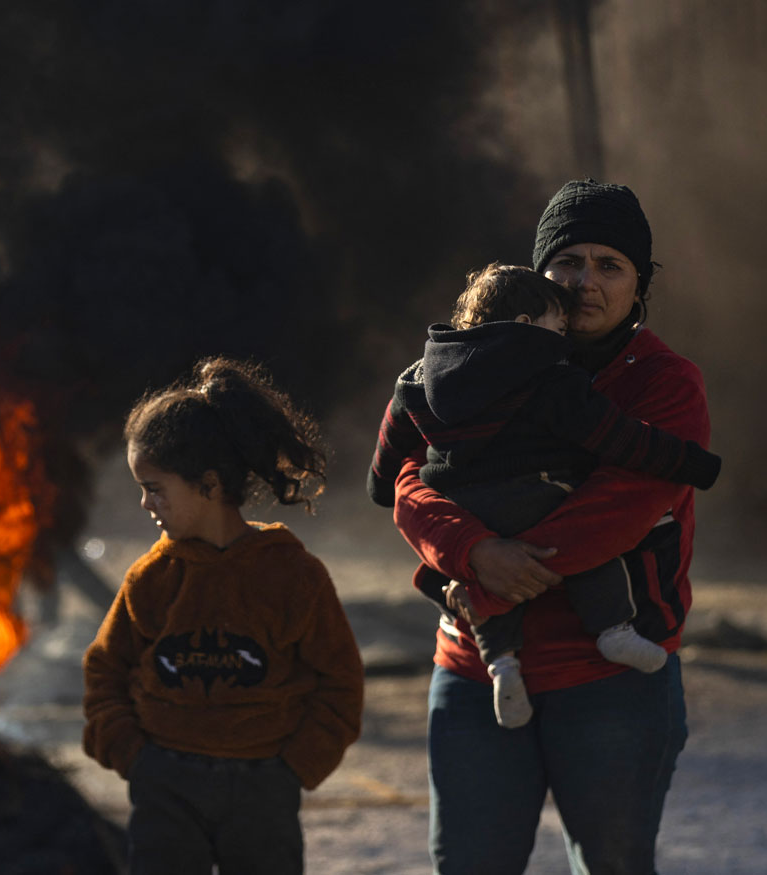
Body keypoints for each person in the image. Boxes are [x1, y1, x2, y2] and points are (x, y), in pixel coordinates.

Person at [393, 180, 710, 874]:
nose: (584, 281)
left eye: (608, 265)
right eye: (567, 261)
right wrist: (472, 548)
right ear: (536, 272)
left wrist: (484, 584)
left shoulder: (663, 382)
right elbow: (408, 481)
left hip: (608, 680)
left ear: (638, 284)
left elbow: (613, 514)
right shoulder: (468, 365)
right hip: (474, 674)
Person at [368, 263, 720, 728]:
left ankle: (502, 665)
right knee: (588, 536)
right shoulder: (548, 378)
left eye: (609, 265)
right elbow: (615, 440)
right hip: (534, 497)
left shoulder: (419, 378)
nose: (564, 336)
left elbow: (391, 459)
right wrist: (693, 463)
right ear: (525, 327)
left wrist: (381, 486)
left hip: (466, 509)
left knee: (511, 558)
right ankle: (613, 628)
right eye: (557, 326)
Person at [82, 357, 364, 875]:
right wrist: (135, 758)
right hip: (165, 787)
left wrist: (294, 767)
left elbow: (340, 682)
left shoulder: (291, 575)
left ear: (209, 485)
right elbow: (105, 670)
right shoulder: (151, 578)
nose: (145, 503)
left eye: (155, 487)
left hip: (263, 788)